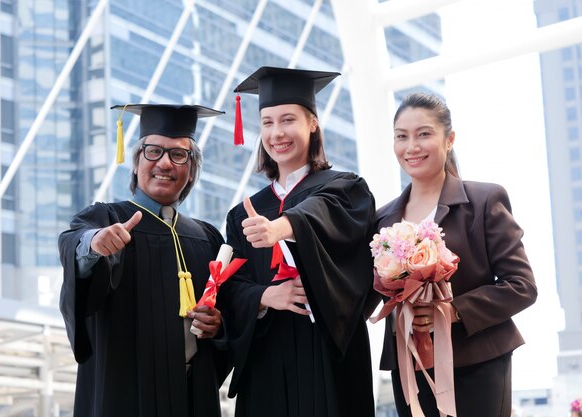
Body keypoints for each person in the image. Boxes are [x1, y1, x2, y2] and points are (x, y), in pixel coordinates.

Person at [218, 66, 377, 417]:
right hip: (266, 359)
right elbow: (230, 289)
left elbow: (327, 214)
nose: (277, 133)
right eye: (267, 123)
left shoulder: (345, 189)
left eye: (288, 120)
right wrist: (263, 296)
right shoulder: (242, 213)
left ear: (313, 123)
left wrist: (282, 227)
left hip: (327, 354)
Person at [58, 104, 230, 417]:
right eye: (153, 152)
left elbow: (230, 314)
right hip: (125, 396)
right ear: (137, 162)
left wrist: (219, 325)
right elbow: (75, 242)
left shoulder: (207, 238)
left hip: (192, 396)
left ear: (190, 170)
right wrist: (94, 245)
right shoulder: (107, 218)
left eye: (179, 155)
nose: (165, 163)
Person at [375, 92, 538, 417]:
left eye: (424, 134)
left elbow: (522, 286)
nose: (412, 147)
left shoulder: (484, 200)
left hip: (477, 364)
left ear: (449, 139)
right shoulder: (383, 220)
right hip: (410, 369)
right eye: (401, 137)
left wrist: (452, 311)